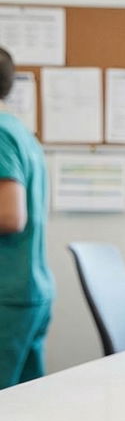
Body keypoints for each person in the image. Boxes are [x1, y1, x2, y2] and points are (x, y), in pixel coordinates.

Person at [0, 46, 52, 388]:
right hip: (30, 289)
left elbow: (10, 216)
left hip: (8, 294)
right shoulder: (18, 131)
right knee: (22, 410)